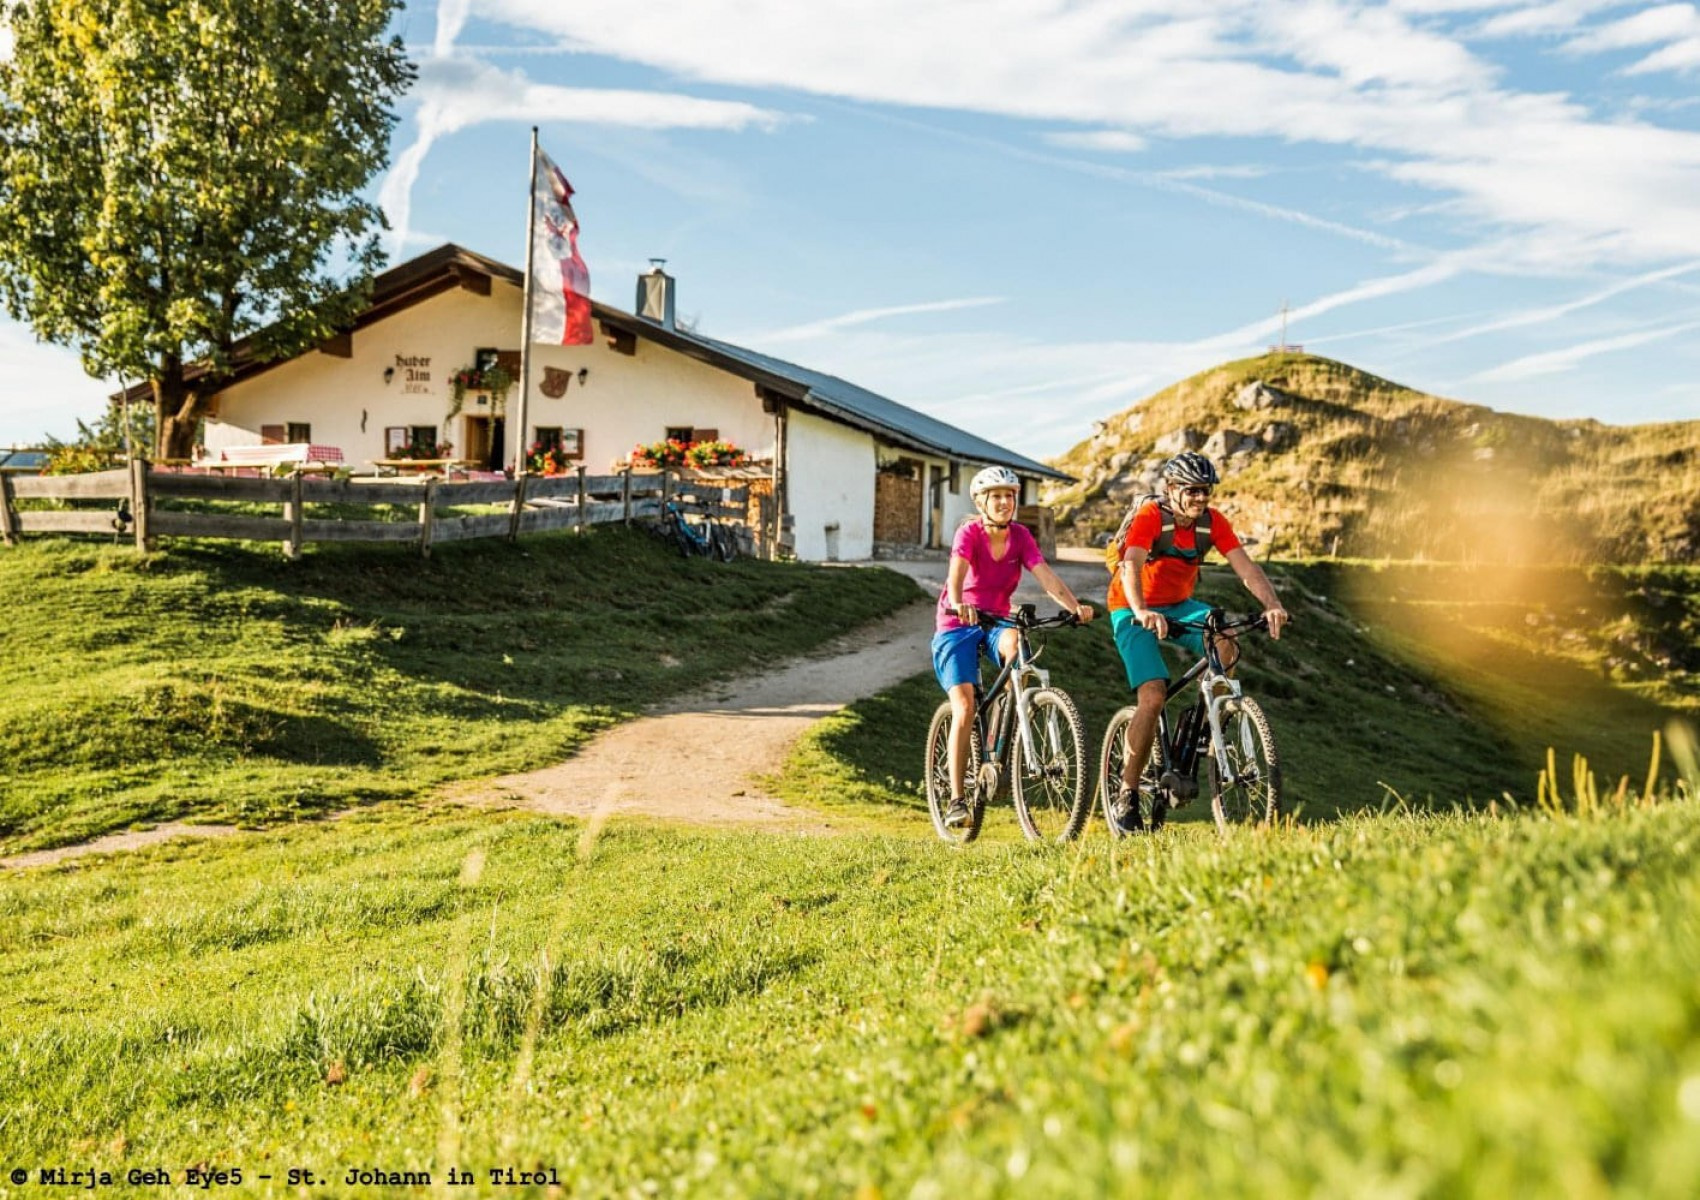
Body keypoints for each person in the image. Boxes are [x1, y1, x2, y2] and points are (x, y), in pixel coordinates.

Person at [1107, 451, 1289, 822]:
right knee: (1154, 695)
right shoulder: (1150, 517)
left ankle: (1207, 720)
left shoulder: (1211, 522)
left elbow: (1246, 568)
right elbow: (1130, 564)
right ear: (1171, 489)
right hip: (1131, 607)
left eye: (1205, 490)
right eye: (1191, 490)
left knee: (1227, 642)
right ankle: (1126, 791)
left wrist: (1272, 603)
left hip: (1179, 605)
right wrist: (1142, 611)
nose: (1199, 498)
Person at [933, 465, 1096, 827]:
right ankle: (958, 799)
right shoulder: (969, 533)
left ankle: (1003, 733)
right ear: (981, 502)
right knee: (963, 705)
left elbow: (1047, 577)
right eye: (997, 497)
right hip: (957, 623)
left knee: (1017, 646)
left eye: (1010, 496)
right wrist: (959, 601)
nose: (1005, 502)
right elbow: (955, 575)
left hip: (996, 621)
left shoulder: (1021, 536)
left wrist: (1075, 608)